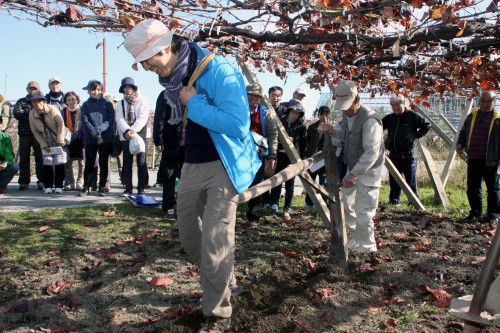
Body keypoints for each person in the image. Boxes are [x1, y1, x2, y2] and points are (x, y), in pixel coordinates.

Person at [123, 19, 260, 332]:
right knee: (188, 236)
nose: (146, 70)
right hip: (192, 164)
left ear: (166, 49)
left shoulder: (219, 71)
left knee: (215, 241)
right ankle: (225, 280)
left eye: (148, 62)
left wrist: (193, 102)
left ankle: (218, 313)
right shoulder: (175, 80)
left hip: (224, 165)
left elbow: (238, 125)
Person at [322, 80, 384, 253]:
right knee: (346, 206)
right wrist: (332, 130)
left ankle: (368, 248)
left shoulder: (371, 120)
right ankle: (357, 237)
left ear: (357, 100)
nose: (346, 110)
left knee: (364, 211)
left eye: (348, 106)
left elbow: (372, 152)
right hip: (353, 167)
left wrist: (354, 173)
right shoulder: (347, 116)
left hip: (368, 170)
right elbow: (348, 138)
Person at [456, 90, 499, 224]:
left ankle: (493, 216)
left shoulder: (497, 119)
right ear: (479, 101)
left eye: (489, 101)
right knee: (473, 188)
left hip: (490, 160)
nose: (485, 104)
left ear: (494, 102)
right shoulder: (472, 116)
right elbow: (464, 131)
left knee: (493, 189)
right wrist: (460, 144)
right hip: (474, 158)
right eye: (483, 101)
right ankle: (475, 213)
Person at [382, 95, 430, 205]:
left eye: (397, 104)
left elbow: (427, 124)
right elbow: (378, 126)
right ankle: (394, 201)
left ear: (403, 104)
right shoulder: (389, 118)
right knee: (394, 180)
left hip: (408, 154)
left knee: (410, 180)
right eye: (393, 105)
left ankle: (413, 202)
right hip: (394, 154)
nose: (395, 107)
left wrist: (417, 136)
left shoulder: (412, 116)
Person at [269, 99, 308, 219]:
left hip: (292, 159)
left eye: (298, 113)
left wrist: (302, 162)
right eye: (293, 112)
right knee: (276, 180)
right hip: (279, 155)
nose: (295, 115)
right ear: (289, 111)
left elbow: (304, 146)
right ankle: (274, 203)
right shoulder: (280, 123)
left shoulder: (301, 127)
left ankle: (287, 207)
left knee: (290, 184)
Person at [246, 83, 278, 221]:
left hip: (258, 153)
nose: (254, 98)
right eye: (251, 95)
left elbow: (273, 134)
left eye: (257, 96)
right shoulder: (237, 108)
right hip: (238, 151)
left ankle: (252, 210)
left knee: (257, 181)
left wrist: (272, 155)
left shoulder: (265, 113)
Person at [79, 80, 115, 197]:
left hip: (106, 138)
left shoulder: (108, 104)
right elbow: (85, 122)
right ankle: (86, 186)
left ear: (102, 90)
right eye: (93, 90)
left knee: (104, 163)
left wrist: (99, 132)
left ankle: (102, 186)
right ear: (89, 91)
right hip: (91, 138)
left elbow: (110, 121)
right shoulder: (85, 105)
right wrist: (96, 135)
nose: (96, 92)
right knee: (89, 163)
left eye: (98, 90)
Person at [115, 77, 150, 195]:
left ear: (134, 87)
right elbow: (119, 117)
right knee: (127, 163)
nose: (127, 89)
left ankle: (141, 188)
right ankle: (128, 187)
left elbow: (143, 116)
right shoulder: (120, 103)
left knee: (141, 162)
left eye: (129, 86)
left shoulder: (142, 100)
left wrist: (133, 130)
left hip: (140, 134)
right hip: (126, 135)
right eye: (125, 87)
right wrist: (127, 130)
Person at [153, 90, 184, 220]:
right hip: (170, 140)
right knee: (169, 176)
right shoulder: (165, 94)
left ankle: (184, 206)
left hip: (189, 142)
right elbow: (159, 117)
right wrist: (158, 140)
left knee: (188, 177)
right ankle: (168, 207)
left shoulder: (192, 91)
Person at [28, 91, 67, 194]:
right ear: (32, 103)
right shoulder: (32, 114)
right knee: (47, 164)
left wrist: (60, 139)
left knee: (59, 163)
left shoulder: (52, 109)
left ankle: (59, 186)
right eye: (34, 102)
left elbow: (61, 124)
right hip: (45, 142)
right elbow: (35, 131)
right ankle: (48, 186)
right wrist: (43, 145)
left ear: (43, 101)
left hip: (58, 140)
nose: (37, 104)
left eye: (39, 101)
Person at [13, 81, 45, 190]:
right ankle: (24, 181)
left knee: (40, 158)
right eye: (31, 88)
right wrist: (31, 114)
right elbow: (17, 114)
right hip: (24, 134)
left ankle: (41, 181)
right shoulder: (21, 101)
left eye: (35, 88)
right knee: (24, 158)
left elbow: (41, 115)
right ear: (27, 89)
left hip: (38, 134)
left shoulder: (41, 101)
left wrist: (26, 112)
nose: (32, 90)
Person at [304, 105, 330, 209]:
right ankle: (309, 203)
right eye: (321, 114)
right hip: (313, 158)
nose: (323, 116)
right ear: (318, 115)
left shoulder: (332, 127)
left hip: (325, 160)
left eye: (326, 114)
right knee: (311, 181)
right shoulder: (312, 127)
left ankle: (322, 204)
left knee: (323, 183)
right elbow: (307, 142)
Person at [61, 92, 84, 191]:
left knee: (82, 162)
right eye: (68, 100)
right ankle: (71, 182)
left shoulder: (82, 110)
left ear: (77, 100)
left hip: (81, 138)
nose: (71, 102)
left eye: (73, 99)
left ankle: (80, 181)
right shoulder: (63, 112)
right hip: (68, 138)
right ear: (66, 101)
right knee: (67, 162)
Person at [0, 116, 20, 194]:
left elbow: (9, 154)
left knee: (15, 166)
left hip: (1, 166)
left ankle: (1, 186)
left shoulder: (5, 137)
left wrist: (6, 162)